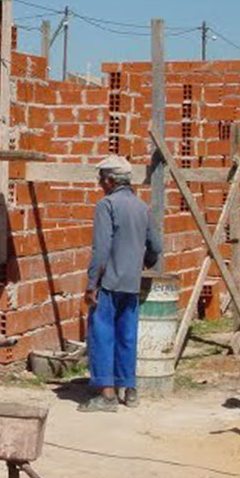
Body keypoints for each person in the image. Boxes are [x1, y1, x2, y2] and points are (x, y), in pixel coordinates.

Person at [80, 155, 162, 413]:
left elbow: (101, 249)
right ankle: (130, 390)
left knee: (102, 335)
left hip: (108, 283)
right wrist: (143, 262)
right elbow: (156, 246)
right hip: (131, 283)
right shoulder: (142, 207)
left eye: (101, 179)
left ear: (111, 180)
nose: (99, 183)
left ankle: (107, 395)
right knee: (127, 335)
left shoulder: (106, 205)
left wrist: (92, 284)